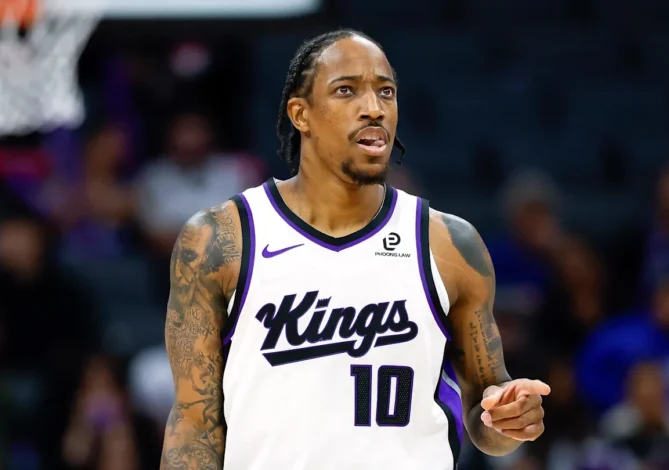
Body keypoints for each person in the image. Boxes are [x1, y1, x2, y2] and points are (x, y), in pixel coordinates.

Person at [160, 29, 550, 470]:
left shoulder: (449, 244)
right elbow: (194, 425)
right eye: (346, 90)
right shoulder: (221, 239)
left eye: (386, 92)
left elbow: (486, 413)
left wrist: (510, 418)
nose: (374, 108)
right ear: (300, 114)